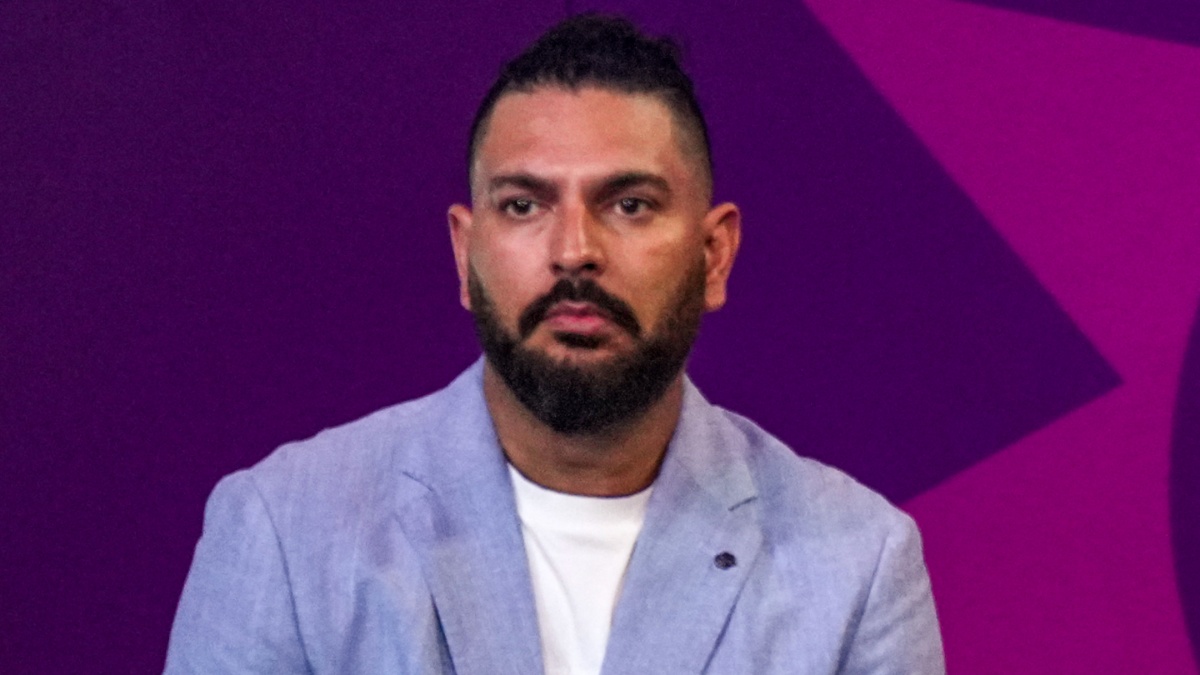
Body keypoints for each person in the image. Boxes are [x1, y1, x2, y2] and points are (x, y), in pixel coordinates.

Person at [165, 13, 944, 674]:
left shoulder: (856, 564)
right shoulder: (287, 530)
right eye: (524, 205)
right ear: (465, 254)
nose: (574, 251)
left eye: (630, 204)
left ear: (714, 255)